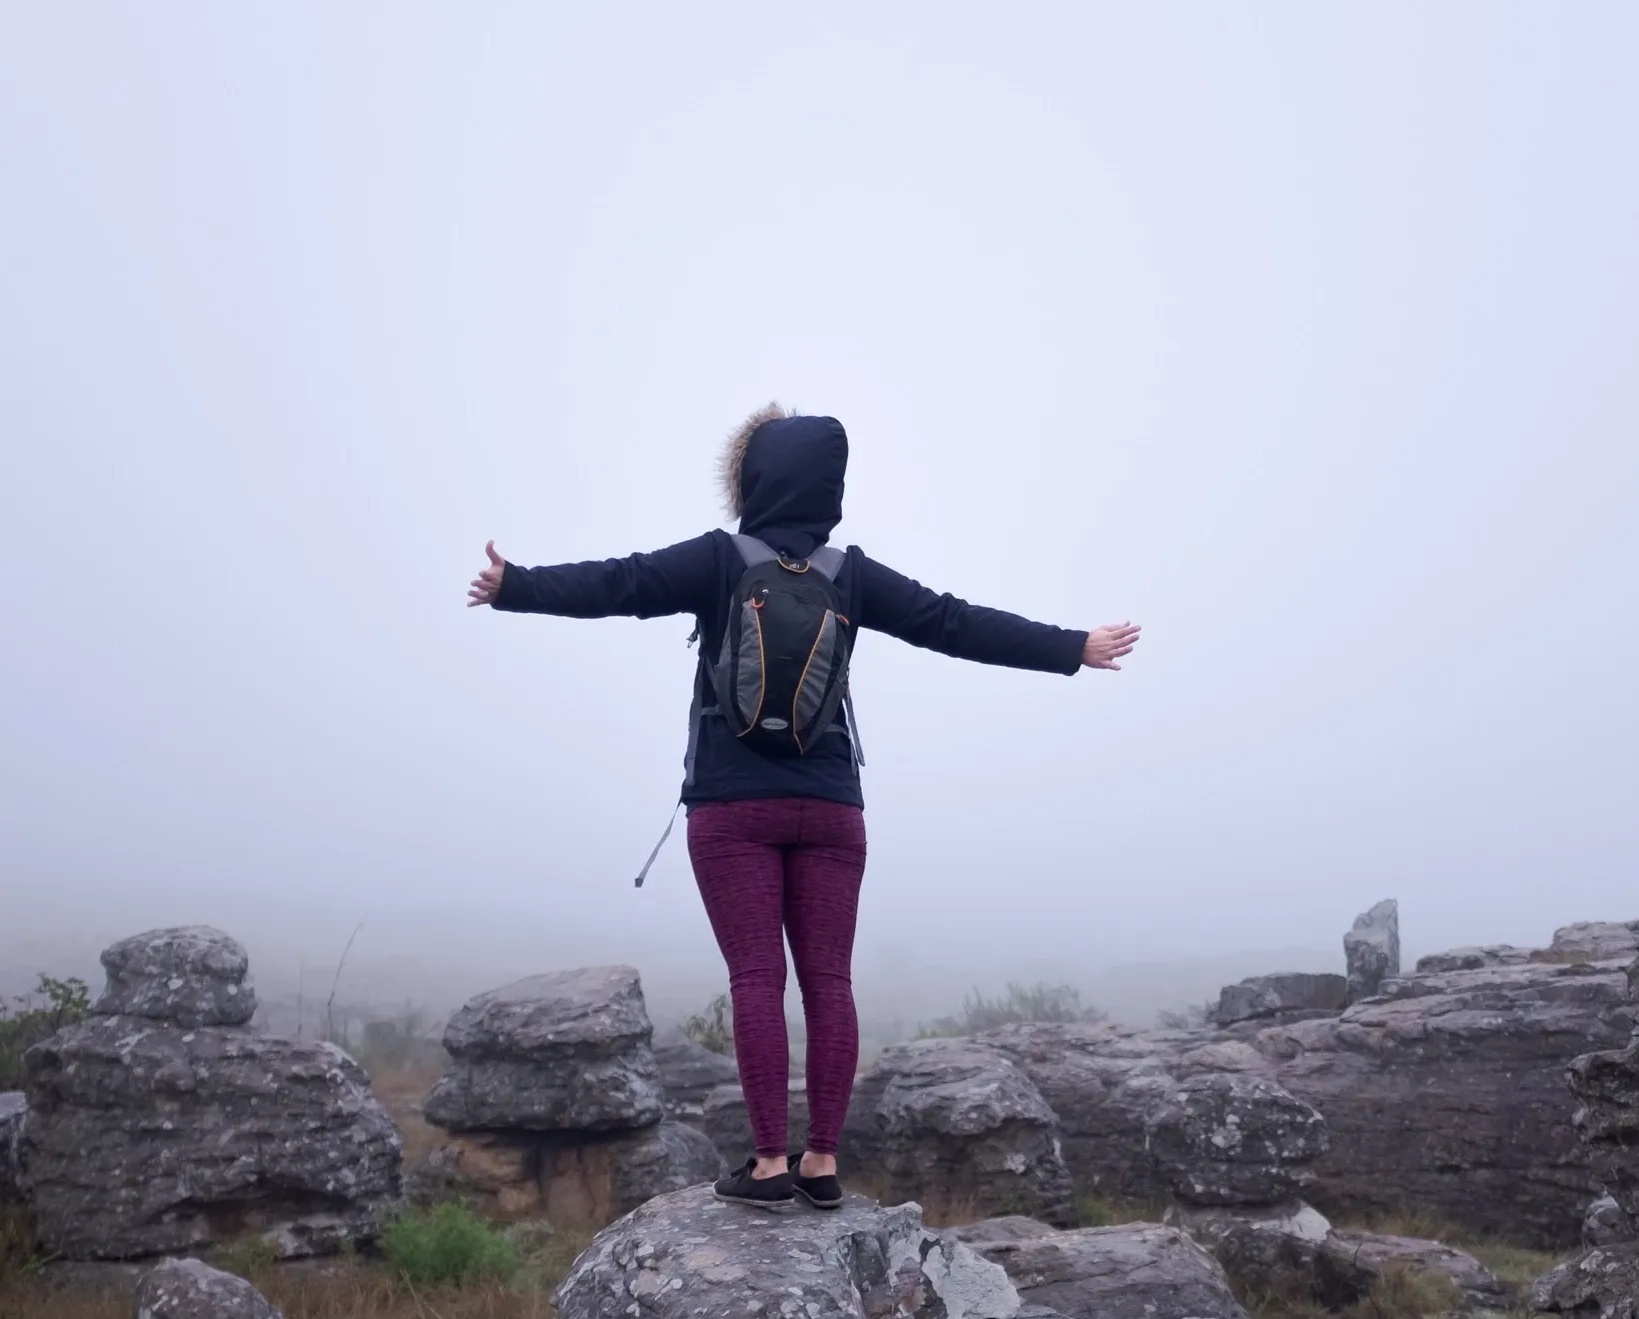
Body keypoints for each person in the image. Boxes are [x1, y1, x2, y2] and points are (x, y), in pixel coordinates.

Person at [469, 405, 1139, 1209]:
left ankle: (765, 1166)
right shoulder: (850, 574)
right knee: (829, 980)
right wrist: (1073, 646)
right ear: (832, 487)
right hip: (829, 808)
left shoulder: (717, 561)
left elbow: (620, 582)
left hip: (730, 804)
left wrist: (516, 587)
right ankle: (821, 1161)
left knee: (757, 977)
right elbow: (953, 623)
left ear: (751, 478)